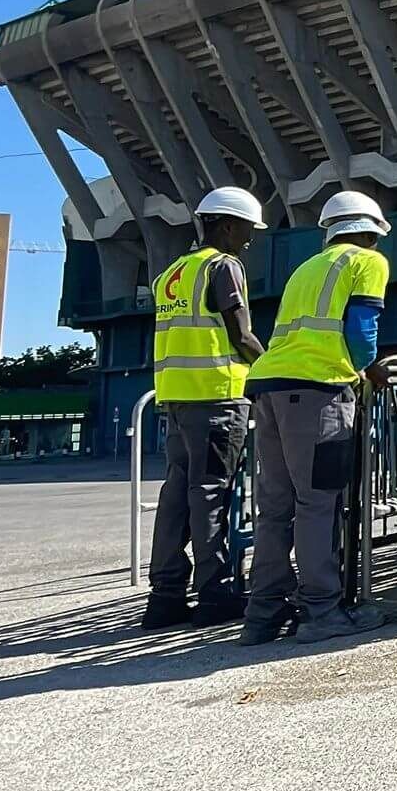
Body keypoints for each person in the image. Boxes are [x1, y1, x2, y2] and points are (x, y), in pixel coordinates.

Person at [239, 190, 395, 646]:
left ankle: (262, 615)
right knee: (317, 502)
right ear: (371, 230)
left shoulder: (306, 267)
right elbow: (362, 329)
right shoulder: (366, 261)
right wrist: (369, 368)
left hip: (269, 385)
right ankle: (321, 611)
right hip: (318, 390)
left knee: (276, 507)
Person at [141, 187, 267, 630]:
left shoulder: (172, 272)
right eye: (247, 230)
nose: (249, 240)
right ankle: (215, 593)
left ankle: (165, 597)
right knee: (211, 494)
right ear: (227, 225)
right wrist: (270, 367)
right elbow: (240, 334)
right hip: (217, 396)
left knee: (176, 495)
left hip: (176, 398)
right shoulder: (223, 266)